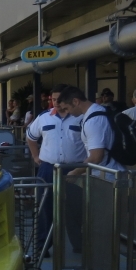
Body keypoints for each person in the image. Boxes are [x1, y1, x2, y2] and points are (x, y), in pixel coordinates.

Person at [26, 83, 85, 251]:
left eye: (60, 99)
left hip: (75, 169)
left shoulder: (80, 117)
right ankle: (43, 246)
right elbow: (31, 137)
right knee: (45, 208)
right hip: (48, 168)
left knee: (75, 209)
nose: (56, 103)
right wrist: (36, 156)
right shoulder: (44, 117)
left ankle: (78, 246)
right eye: (53, 99)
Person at [58, 87, 125, 177]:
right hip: (109, 172)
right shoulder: (99, 110)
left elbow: (96, 157)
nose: (67, 112)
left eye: (66, 108)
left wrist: (75, 172)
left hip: (107, 176)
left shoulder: (93, 121)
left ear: (75, 101)